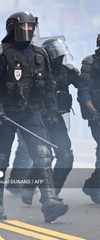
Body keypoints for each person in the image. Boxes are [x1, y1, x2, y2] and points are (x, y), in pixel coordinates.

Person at [0, 11, 68, 223]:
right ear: (12, 29)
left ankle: (49, 202)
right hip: (6, 114)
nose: (27, 31)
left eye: (30, 27)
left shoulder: (40, 54)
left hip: (32, 112)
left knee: (43, 154)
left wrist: (51, 110)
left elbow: (47, 85)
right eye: (22, 27)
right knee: (0, 159)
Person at [19, 37, 81, 204]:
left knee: (66, 156)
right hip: (38, 119)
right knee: (43, 157)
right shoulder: (35, 72)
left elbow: (86, 85)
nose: (59, 59)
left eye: (61, 56)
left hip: (57, 119)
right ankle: (39, 191)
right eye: (56, 56)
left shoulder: (67, 71)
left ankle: (50, 193)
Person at [78, 33, 100, 204]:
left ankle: (93, 185)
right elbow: (84, 90)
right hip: (97, 113)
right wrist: (92, 111)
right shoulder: (90, 62)